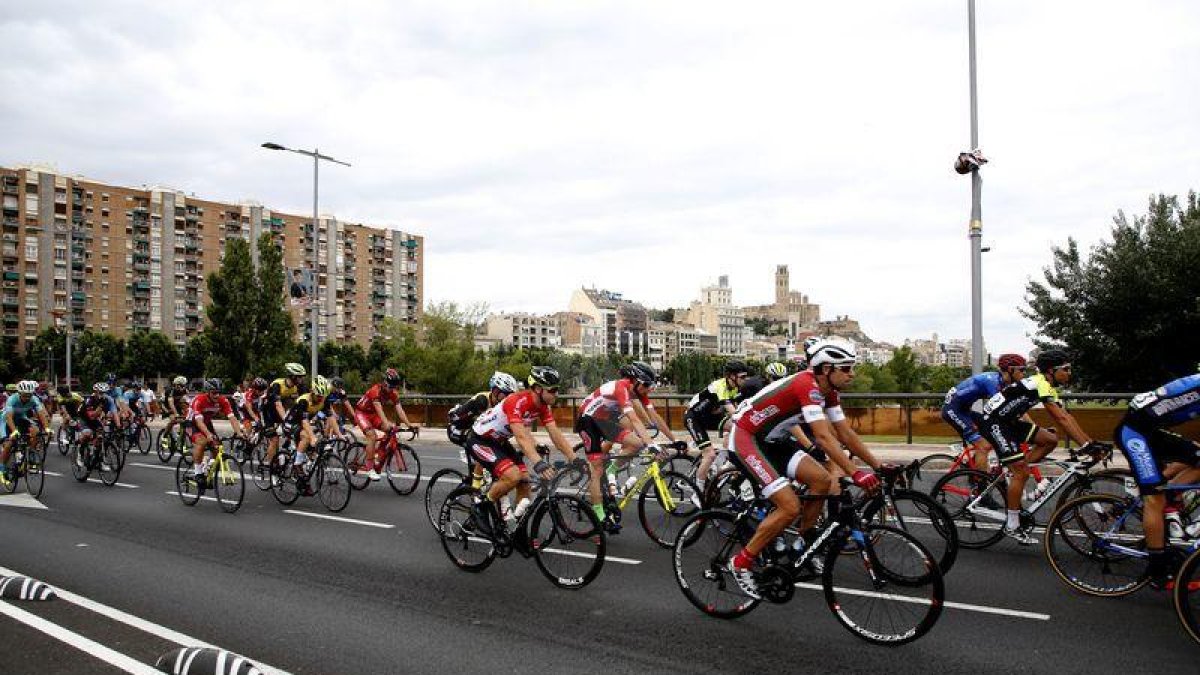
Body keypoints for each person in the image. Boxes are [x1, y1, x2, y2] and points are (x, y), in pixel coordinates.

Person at [725, 338, 879, 598]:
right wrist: (856, 472)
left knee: (822, 480)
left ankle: (802, 543)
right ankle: (741, 563)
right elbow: (823, 436)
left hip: (774, 442)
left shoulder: (829, 391)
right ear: (827, 369)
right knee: (790, 506)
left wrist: (877, 465)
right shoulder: (806, 384)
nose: (852, 374)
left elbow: (843, 432)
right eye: (847, 368)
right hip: (747, 439)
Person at [978, 348, 1100, 545]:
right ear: (1051, 371)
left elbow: (1066, 416)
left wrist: (1089, 443)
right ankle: (1012, 524)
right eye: (1066, 369)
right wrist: (1086, 445)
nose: (1069, 373)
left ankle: (1015, 470)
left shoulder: (1046, 385)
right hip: (994, 423)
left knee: (1050, 440)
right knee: (1022, 472)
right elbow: (1060, 418)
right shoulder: (1040, 383)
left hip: (1009, 421)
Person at [465, 366, 583, 537]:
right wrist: (539, 463)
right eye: (553, 390)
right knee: (513, 476)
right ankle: (480, 507)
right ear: (537, 388)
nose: (556, 394)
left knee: (525, 482)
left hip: (499, 441)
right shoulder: (516, 401)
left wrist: (575, 458)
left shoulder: (542, 406)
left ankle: (516, 531)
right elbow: (521, 437)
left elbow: (556, 435)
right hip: (480, 439)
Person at [575, 361, 686, 529]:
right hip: (588, 419)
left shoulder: (639, 391)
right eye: (647, 385)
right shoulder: (621, 387)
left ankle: (611, 469)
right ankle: (599, 515)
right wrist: (652, 444)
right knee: (596, 469)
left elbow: (654, 416)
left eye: (651, 385)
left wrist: (673, 439)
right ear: (636, 381)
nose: (649, 389)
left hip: (605, 419)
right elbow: (633, 418)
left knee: (637, 444)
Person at [1115, 371, 1200, 588]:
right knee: (1155, 499)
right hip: (1135, 434)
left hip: (1151, 430)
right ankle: (1158, 570)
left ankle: (1171, 496)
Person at [941, 354, 1029, 470]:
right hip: (953, 410)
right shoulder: (993, 383)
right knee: (983, 446)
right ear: (1010, 370)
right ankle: (982, 483)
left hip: (964, 410)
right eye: (1022, 370)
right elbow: (1007, 409)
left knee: (994, 433)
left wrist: (1034, 427)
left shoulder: (1003, 382)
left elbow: (1017, 408)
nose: (1024, 374)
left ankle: (975, 466)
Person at [684, 360, 750, 496]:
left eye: (746, 377)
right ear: (731, 376)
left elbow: (740, 408)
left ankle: (724, 458)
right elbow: (733, 412)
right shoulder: (720, 386)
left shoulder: (735, 388)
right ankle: (698, 493)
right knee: (709, 454)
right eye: (742, 377)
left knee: (737, 428)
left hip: (710, 416)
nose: (745, 380)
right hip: (694, 418)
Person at [447, 372, 520, 488]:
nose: (508, 398)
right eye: (505, 394)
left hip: (475, 430)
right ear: (495, 392)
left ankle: (476, 481)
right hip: (457, 429)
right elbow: (456, 417)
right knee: (482, 446)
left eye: (511, 395)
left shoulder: (504, 405)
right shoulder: (482, 401)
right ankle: (474, 487)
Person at [353, 368, 419, 481]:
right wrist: (386, 423)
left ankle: (378, 455)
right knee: (372, 436)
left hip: (373, 414)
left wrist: (409, 425)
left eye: (394, 387)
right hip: (362, 413)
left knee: (390, 430)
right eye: (390, 386)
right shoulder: (375, 390)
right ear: (385, 382)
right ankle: (369, 468)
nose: (391, 389)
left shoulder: (393, 393)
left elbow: (400, 410)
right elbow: (379, 410)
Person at [184, 378, 244, 486]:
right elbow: (198, 422)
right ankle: (198, 473)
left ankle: (208, 468)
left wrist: (239, 432)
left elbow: (232, 418)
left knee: (217, 448)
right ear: (208, 392)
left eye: (219, 392)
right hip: (192, 423)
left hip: (206, 423)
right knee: (202, 441)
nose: (217, 395)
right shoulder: (199, 400)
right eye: (214, 393)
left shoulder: (223, 400)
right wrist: (207, 434)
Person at [0, 381, 52, 488]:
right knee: (9, 444)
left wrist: (47, 428)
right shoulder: (12, 399)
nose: (27, 398)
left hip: (21, 418)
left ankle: (31, 454)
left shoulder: (34, 399)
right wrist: (14, 431)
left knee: (36, 432)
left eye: (29, 395)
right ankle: (2, 468)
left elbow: (41, 414)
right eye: (24, 395)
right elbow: (9, 417)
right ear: (19, 393)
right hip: (6, 421)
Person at [261, 363, 308, 476]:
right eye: (299, 376)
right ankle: (272, 470)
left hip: (284, 411)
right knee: (274, 439)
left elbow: (305, 402)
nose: (302, 379)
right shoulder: (277, 385)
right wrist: (287, 421)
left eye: (302, 377)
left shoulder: (299, 386)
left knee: (296, 433)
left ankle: (284, 451)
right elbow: (278, 405)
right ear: (292, 376)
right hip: (269, 412)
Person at [281, 376, 332, 476]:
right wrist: (312, 438)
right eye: (318, 396)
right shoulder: (304, 400)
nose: (320, 399)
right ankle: (297, 464)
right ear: (312, 392)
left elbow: (331, 418)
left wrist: (339, 435)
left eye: (323, 396)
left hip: (301, 424)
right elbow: (304, 422)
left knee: (314, 441)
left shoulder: (323, 400)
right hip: (290, 423)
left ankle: (303, 469)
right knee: (307, 436)